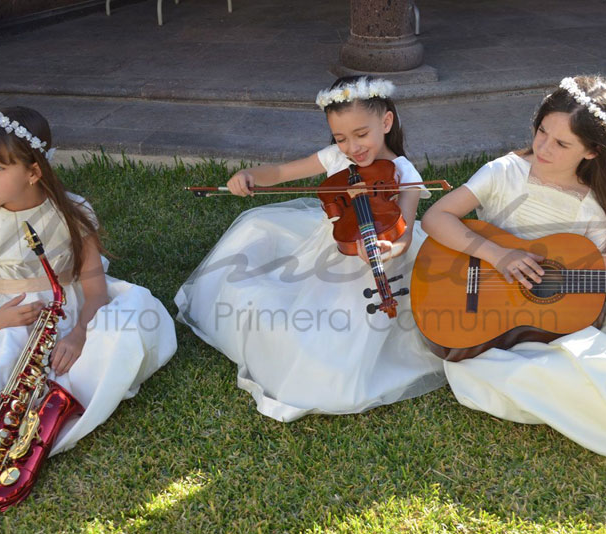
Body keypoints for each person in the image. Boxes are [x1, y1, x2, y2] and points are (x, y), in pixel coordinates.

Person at [0, 107, 177, 492]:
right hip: (4, 318)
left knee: (127, 324)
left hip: (69, 309)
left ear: (34, 171)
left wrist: (79, 334)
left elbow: (95, 291)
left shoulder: (73, 212)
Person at [421, 75, 606, 473]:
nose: (544, 147)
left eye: (562, 144)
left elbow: (587, 286)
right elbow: (435, 216)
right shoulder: (504, 172)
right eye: (542, 131)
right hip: (470, 278)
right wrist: (498, 254)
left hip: (519, 318)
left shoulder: (594, 210)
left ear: (593, 152)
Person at [175, 76, 446, 422]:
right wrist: (249, 175)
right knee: (255, 236)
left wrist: (387, 248)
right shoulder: (336, 157)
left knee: (326, 335)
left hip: (379, 257)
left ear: (386, 122)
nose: (352, 148)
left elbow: (404, 233)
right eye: (341, 138)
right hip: (330, 241)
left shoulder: (403, 173)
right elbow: (280, 171)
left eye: (361, 135)